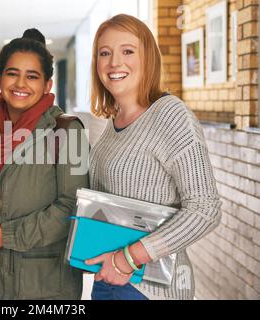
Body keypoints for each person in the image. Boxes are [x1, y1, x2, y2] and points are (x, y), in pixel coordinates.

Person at [85, 14, 221, 300]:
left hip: (150, 289)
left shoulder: (170, 115)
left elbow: (205, 209)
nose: (114, 63)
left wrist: (128, 259)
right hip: (109, 277)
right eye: (104, 53)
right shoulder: (114, 121)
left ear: (148, 58)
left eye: (128, 51)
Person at [0, 28, 89, 299]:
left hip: (39, 281)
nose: (21, 84)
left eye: (32, 76)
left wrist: (6, 236)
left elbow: (72, 208)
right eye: (12, 73)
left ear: (47, 85)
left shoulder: (68, 132)